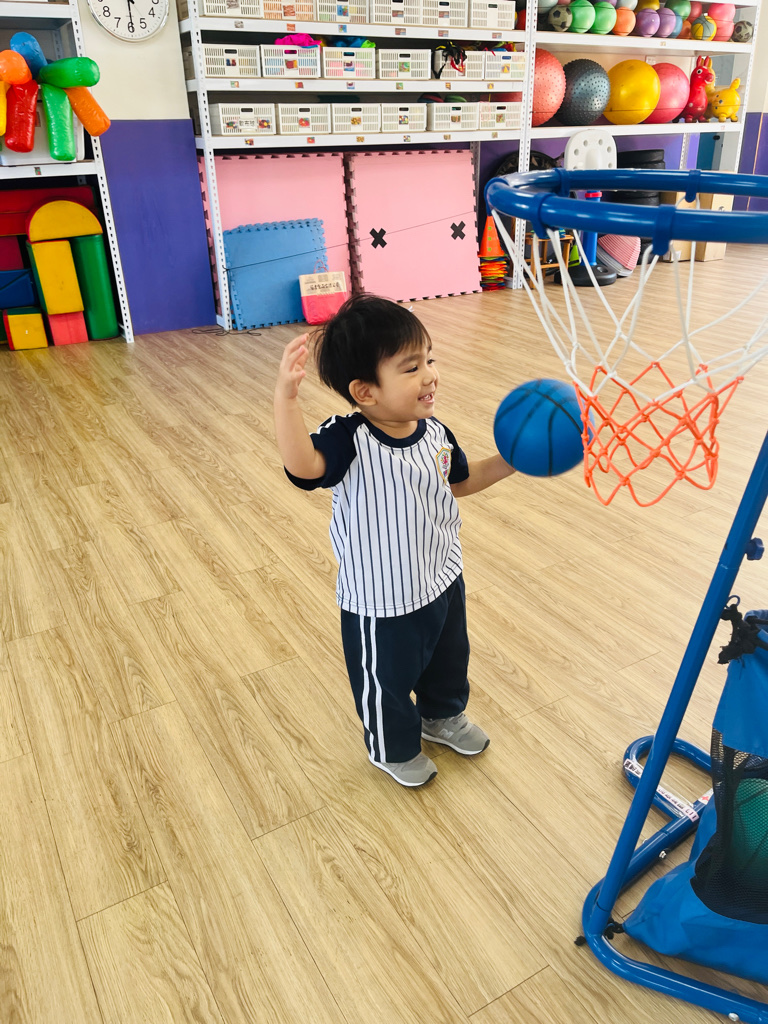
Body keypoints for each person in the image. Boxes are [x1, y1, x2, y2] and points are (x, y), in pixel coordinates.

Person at [274, 294, 515, 787]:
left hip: (441, 575)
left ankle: (441, 716)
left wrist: (513, 460)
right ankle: (392, 747)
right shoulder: (347, 439)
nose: (430, 375)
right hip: (380, 597)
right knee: (386, 680)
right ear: (365, 391)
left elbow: (460, 481)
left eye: (430, 359)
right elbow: (304, 467)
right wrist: (287, 400)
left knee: (449, 659)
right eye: (411, 367)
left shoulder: (435, 432)